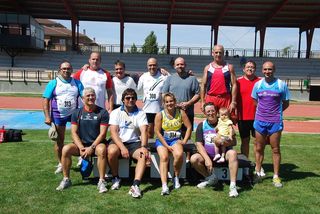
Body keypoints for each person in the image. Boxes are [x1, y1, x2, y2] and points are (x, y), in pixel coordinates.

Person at [56, 87, 109, 193]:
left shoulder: (103, 112)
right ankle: (66, 179)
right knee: (66, 149)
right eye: (88, 95)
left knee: (102, 150)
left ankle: (102, 181)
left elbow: (103, 134)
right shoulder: (76, 113)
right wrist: (81, 147)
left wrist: (91, 147)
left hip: (96, 144)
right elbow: (74, 133)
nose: (90, 97)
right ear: (83, 98)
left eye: (92, 95)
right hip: (81, 145)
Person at [252, 61, 290, 188]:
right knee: (259, 148)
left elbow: (285, 103)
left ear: (274, 70)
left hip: (275, 121)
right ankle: (257, 173)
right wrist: (264, 113)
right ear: (262, 71)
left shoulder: (281, 85)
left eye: (270, 69)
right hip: (260, 121)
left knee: (275, 149)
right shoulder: (258, 85)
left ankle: (276, 176)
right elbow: (254, 101)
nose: (267, 71)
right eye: (265, 69)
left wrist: (274, 113)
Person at [43, 61, 84, 174]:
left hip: (74, 115)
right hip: (58, 115)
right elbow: (46, 100)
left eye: (68, 68)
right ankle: (61, 163)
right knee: (59, 141)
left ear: (71, 70)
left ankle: (81, 158)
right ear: (60, 70)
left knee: (78, 139)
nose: (66, 70)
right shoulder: (53, 83)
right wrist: (47, 116)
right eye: (64, 68)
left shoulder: (77, 83)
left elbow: (84, 97)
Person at [190, 102, 239, 198]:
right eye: (208, 111)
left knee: (233, 153)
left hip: (223, 155)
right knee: (194, 158)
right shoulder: (202, 125)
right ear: (204, 113)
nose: (210, 113)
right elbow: (199, 144)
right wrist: (207, 159)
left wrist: (224, 143)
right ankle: (210, 178)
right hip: (209, 155)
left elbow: (234, 142)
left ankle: (233, 186)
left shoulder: (225, 122)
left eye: (212, 111)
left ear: (216, 112)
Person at [108, 88, 148, 198]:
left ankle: (135, 185)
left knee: (142, 155)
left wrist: (144, 147)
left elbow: (144, 131)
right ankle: (116, 177)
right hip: (118, 142)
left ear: (136, 100)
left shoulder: (141, 113)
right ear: (123, 100)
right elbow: (114, 133)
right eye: (127, 98)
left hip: (134, 143)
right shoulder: (116, 112)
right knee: (111, 151)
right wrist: (122, 148)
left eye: (133, 98)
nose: (130, 100)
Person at [162, 57, 200, 163]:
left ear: (185, 65)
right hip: (172, 112)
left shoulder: (192, 79)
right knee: (171, 133)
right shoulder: (170, 79)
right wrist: (170, 105)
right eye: (178, 64)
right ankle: (170, 154)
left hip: (187, 112)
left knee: (186, 134)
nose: (180, 66)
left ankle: (187, 157)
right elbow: (164, 93)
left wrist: (188, 103)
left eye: (182, 64)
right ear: (174, 66)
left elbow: (198, 94)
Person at [154, 92, 192, 195]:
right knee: (164, 157)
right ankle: (164, 185)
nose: (169, 103)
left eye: (171, 101)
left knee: (179, 154)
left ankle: (176, 177)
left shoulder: (181, 113)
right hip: (163, 140)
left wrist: (184, 141)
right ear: (164, 103)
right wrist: (166, 146)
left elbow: (189, 127)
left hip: (175, 140)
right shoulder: (160, 114)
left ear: (175, 102)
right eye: (167, 102)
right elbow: (157, 132)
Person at [200, 44, 237, 115]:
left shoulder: (229, 67)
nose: (218, 54)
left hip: (225, 98)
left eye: (220, 52)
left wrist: (233, 101)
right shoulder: (207, 68)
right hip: (211, 98)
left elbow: (234, 84)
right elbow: (203, 85)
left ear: (223, 53)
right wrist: (202, 101)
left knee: (225, 122)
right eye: (216, 52)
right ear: (212, 53)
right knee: (211, 122)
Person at [137, 57, 169, 138]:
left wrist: (166, 72)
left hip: (160, 109)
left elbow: (172, 81)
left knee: (161, 132)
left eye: (154, 65)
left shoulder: (164, 76)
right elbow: (137, 89)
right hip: (147, 110)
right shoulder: (143, 76)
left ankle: (162, 148)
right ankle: (150, 149)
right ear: (147, 66)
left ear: (157, 65)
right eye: (150, 65)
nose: (152, 67)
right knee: (149, 132)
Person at [237, 60, 261, 161]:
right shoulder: (237, 82)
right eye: (248, 67)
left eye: (252, 67)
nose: (250, 69)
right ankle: (245, 163)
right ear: (244, 69)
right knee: (245, 141)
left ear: (255, 69)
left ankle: (258, 166)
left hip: (258, 117)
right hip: (242, 117)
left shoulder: (260, 82)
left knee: (257, 142)